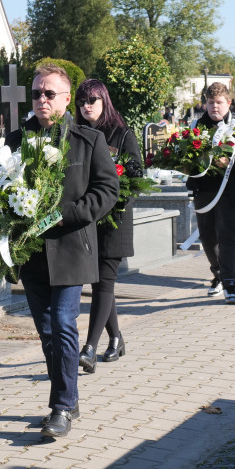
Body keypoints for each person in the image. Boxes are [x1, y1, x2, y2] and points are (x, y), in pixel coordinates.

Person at [4, 65, 118, 438]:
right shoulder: (17, 141)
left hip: (71, 248)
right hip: (32, 253)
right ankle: (68, 393)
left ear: (67, 99)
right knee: (47, 333)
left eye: (49, 94)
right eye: (36, 93)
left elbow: (106, 191)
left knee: (63, 324)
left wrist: (65, 215)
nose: (41, 100)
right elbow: (1, 190)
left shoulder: (87, 140)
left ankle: (61, 407)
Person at [74, 79, 142, 370]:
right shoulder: (76, 134)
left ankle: (89, 347)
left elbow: (136, 177)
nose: (86, 106)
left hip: (114, 220)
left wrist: (114, 198)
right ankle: (116, 338)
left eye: (92, 100)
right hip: (87, 219)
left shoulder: (122, 133)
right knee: (99, 283)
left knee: (104, 281)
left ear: (104, 101)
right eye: (81, 101)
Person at [185, 81, 235, 303]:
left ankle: (230, 283)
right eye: (210, 103)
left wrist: (230, 162)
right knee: (208, 239)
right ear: (205, 104)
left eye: (219, 102)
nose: (214, 107)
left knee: (228, 237)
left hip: (231, 192)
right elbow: (186, 156)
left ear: (228, 103)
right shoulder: (195, 127)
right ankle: (218, 274)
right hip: (204, 191)